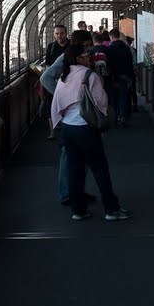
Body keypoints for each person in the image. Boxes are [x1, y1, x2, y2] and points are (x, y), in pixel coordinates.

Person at [50, 42, 130, 221]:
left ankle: (78, 210)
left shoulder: (64, 76)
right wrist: (104, 123)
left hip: (68, 129)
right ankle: (111, 209)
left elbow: (57, 102)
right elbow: (101, 102)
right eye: (86, 54)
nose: (89, 57)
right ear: (79, 58)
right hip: (85, 128)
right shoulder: (89, 75)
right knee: (100, 169)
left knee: (74, 170)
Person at [41, 30, 97, 206]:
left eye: (90, 46)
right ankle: (67, 192)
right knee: (69, 157)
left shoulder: (87, 57)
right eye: (85, 46)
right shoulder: (65, 58)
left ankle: (76, 191)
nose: (88, 50)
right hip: (74, 116)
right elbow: (46, 77)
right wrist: (63, 97)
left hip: (85, 115)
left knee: (81, 157)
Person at [42, 24, 69, 139]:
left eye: (62, 33)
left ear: (66, 33)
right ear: (54, 35)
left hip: (67, 81)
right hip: (53, 81)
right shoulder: (51, 47)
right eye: (57, 33)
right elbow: (47, 64)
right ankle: (52, 132)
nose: (59, 36)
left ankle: (66, 128)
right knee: (50, 105)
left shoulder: (71, 47)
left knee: (66, 104)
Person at [104, 29, 134, 126]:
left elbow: (109, 64)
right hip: (125, 76)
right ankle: (122, 117)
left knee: (114, 98)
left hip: (114, 77)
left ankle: (115, 117)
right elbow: (130, 63)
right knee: (123, 97)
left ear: (111, 37)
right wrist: (131, 77)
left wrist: (112, 77)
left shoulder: (109, 49)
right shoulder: (126, 48)